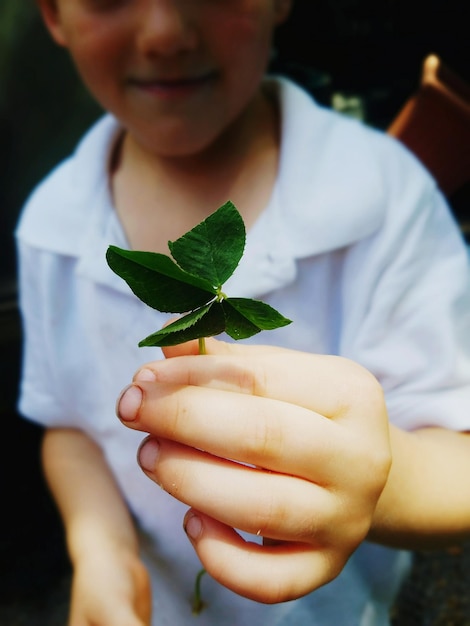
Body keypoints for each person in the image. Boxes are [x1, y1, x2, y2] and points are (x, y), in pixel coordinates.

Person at [15, 1, 470, 625]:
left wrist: (382, 478)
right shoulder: (49, 230)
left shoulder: (387, 197)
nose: (166, 33)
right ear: (54, 15)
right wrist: (101, 549)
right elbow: (68, 427)